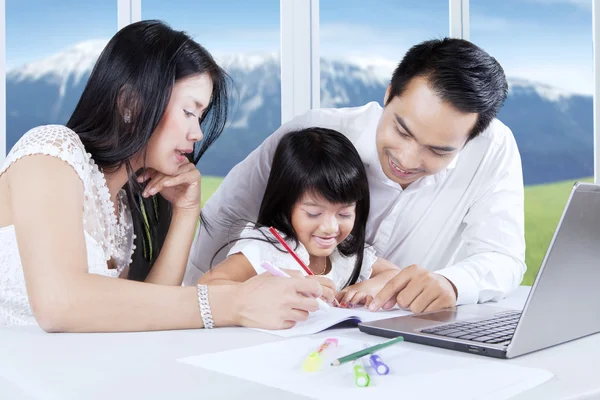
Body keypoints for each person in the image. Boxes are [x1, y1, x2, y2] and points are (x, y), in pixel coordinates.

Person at [0, 20, 323, 331]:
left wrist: (185, 213)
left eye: (200, 116)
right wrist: (232, 303)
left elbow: (148, 316)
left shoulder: (125, 208)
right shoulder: (50, 152)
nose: (197, 133)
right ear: (130, 103)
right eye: (188, 112)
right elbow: (60, 303)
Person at [185, 38, 526, 314]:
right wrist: (195, 311)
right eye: (402, 130)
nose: (407, 159)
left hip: (394, 334)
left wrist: (451, 284)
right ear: (389, 93)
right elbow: (227, 214)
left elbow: (503, 257)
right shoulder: (313, 134)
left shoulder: (493, 149)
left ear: (470, 139)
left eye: (438, 151)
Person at [198, 127, 399, 308]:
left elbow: (395, 274)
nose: (330, 227)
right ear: (286, 205)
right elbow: (206, 286)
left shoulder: (345, 253)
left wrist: (368, 286)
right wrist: (275, 289)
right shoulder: (267, 248)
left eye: (344, 214)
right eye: (313, 213)